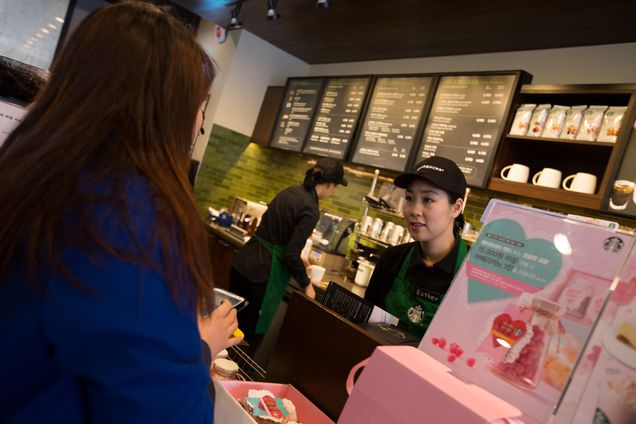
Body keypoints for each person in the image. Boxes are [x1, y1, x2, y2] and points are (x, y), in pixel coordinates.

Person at [0, 2, 240, 422]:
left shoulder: (30, 172)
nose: (200, 123)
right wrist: (198, 348)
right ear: (166, 108)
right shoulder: (126, 222)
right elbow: (166, 413)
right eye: (198, 103)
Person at [230, 158, 348, 348]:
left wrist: (296, 253)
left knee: (229, 328)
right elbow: (290, 255)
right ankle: (232, 376)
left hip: (242, 265)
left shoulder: (290, 191)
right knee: (245, 341)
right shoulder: (311, 208)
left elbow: (277, 233)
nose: (333, 191)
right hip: (261, 278)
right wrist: (307, 285)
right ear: (328, 185)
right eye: (335, 187)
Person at [364, 156, 468, 338]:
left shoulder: (475, 275)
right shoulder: (391, 259)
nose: (414, 210)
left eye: (428, 200)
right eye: (410, 198)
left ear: (456, 207)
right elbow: (364, 327)